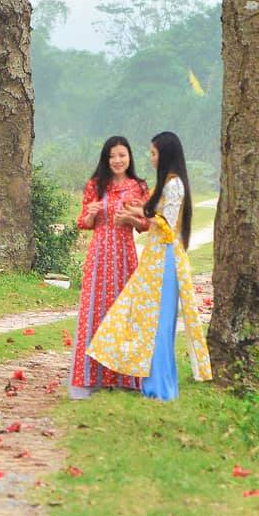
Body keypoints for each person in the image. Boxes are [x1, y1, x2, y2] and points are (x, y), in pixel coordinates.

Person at [87, 129, 211, 400]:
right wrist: (138, 210)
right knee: (149, 322)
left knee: (161, 324)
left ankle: (163, 388)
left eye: (153, 153)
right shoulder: (165, 183)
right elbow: (154, 215)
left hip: (166, 259)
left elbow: (167, 227)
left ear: (164, 155)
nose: (150, 158)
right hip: (155, 259)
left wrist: (138, 214)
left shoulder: (174, 184)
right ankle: (153, 384)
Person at [70, 134, 147, 398]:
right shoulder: (95, 185)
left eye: (122, 155)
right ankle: (92, 377)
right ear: (106, 158)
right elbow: (83, 222)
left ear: (129, 157)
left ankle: (125, 378)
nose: (117, 160)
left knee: (124, 312)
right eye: (112, 156)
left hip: (125, 256)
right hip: (99, 255)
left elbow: (146, 225)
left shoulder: (139, 187)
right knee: (95, 310)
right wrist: (91, 215)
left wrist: (131, 218)